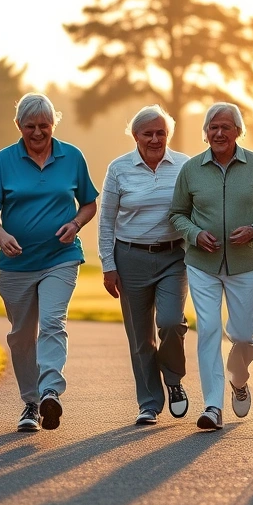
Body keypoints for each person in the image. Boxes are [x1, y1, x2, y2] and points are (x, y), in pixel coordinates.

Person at [0, 93, 98, 433]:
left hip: (61, 258)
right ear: (18, 125)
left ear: (53, 124)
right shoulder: (4, 160)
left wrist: (75, 224)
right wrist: (2, 236)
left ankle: (49, 393)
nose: (37, 132)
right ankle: (30, 402)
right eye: (30, 126)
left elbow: (88, 203)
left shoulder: (72, 156)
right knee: (20, 336)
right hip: (16, 264)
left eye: (44, 125)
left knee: (52, 322)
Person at [169, 102, 253, 430]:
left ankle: (239, 379)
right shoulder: (191, 169)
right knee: (207, 330)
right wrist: (193, 234)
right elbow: (177, 213)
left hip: (245, 263)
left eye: (226, 127)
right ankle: (212, 406)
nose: (219, 133)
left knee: (245, 336)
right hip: (201, 263)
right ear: (205, 134)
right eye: (213, 128)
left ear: (238, 131)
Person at [98, 105, 192, 426]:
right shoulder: (119, 168)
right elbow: (106, 221)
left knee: (169, 322)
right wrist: (108, 265)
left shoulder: (184, 165)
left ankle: (174, 379)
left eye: (161, 132)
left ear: (169, 134)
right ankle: (149, 403)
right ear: (135, 135)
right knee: (140, 336)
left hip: (174, 257)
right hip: (130, 258)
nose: (155, 139)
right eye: (148, 133)